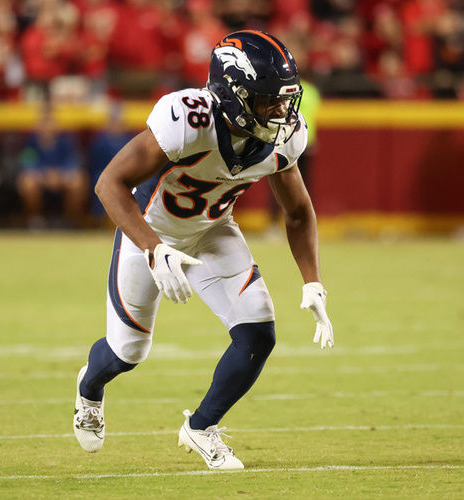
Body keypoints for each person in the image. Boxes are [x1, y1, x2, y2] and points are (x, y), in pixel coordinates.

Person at [73, 31, 334, 470]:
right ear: (233, 93)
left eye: (285, 99)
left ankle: (201, 427)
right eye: (269, 100)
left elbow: (298, 211)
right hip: (150, 230)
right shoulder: (188, 119)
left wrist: (313, 280)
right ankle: (89, 388)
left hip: (213, 230)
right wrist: (154, 249)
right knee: (127, 353)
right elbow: (109, 183)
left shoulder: (285, 134)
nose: (281, 112)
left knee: (258, 332)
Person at [17, 106, 87, 228]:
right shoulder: (31, 142)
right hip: (40, 178)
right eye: (44, 123)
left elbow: (74, 160)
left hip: (62, 177)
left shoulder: (66, 141)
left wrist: (60, 174)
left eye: (50, 123)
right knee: (27, 183)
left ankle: (70, 221)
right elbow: (27, 163)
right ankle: (36, 220)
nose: (47, 127)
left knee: (79, 182)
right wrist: (44, 174)